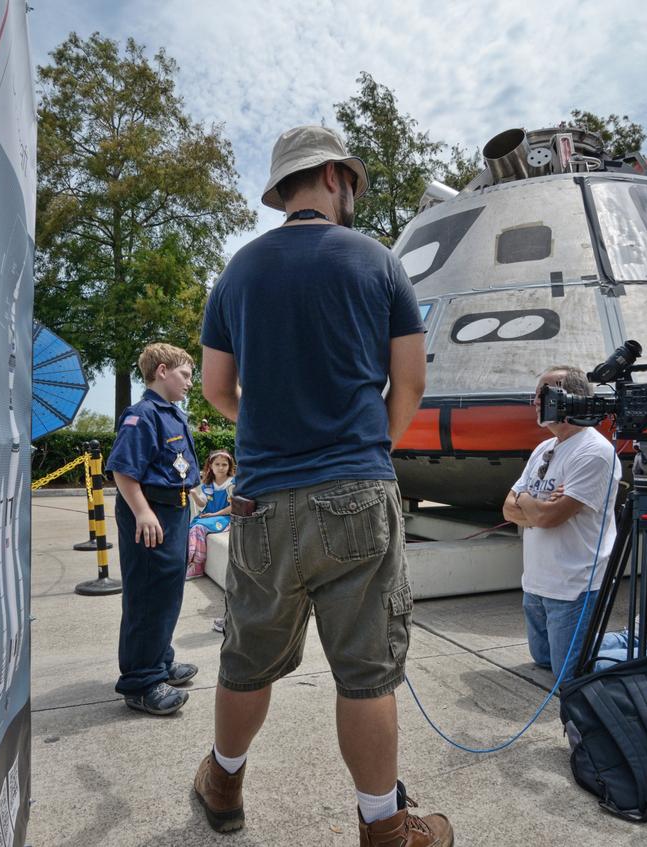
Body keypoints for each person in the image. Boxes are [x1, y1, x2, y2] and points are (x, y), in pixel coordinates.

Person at [193, 124, 451, 846]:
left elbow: (217, 387)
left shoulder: (238, 271)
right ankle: (385, 827)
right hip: (357, 491)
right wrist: (363, 448)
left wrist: (271, 427)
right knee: (365, 674)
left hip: (261, 498)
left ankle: (222, 784)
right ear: (336, 175)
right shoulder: (377, 262)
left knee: (247, 661)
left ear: (286, 188)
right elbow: (411, 382)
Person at [502, 365, 621, 678]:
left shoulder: (594, 452)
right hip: (537, 585)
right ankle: (605, 642)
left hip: (574, 587)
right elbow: (507, 509)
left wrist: (528, 502)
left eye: (543, 394)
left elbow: (547, 517)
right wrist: (536, 508)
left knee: (570, 675)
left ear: (570, 398)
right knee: (545, 661)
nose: (535, 402)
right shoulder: (544, 449)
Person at [105, 343, 202, 716]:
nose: (189, 383)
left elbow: (173, 462)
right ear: (162, 371)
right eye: (184, 375)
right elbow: (123, 470)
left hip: (174, 513)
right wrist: (143, 512)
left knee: (166, 592)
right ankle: (141, 682)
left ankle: (159, 662)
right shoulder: (142, 415)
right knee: (147, 596)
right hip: (151, 515)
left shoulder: (172, 414)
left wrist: (191, 487)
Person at [186, 450, 237, 580]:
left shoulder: (232, 484)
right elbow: (203, 503)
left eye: (224, 465)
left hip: (225, 518)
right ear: (211, 466)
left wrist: (214, 514)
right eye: (217, 464)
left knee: (199, 528)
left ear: (229, 466)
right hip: (209, 517)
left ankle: (198, 565)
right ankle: (187, 561)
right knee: (189, 527)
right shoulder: (208, 484)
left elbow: (233, 507)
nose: (220, 468)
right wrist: (194, 494)